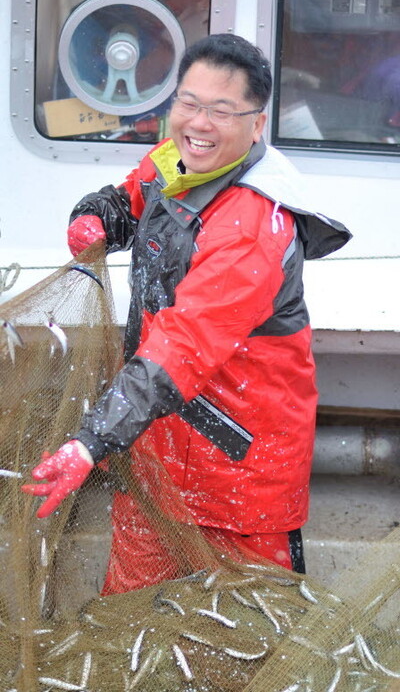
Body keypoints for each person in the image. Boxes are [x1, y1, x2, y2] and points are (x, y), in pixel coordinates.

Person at [22, 33, 351, 593]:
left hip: (237, 479)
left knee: (242, 644)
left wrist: (90, 442)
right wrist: (99, 217)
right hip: (155, 453)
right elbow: (134, 196)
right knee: (131, 620)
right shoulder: (177, 157)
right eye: (188, 103)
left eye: (221, 111)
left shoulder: (252, 226)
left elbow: (182, 347)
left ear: (256, 124)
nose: (198, 123)